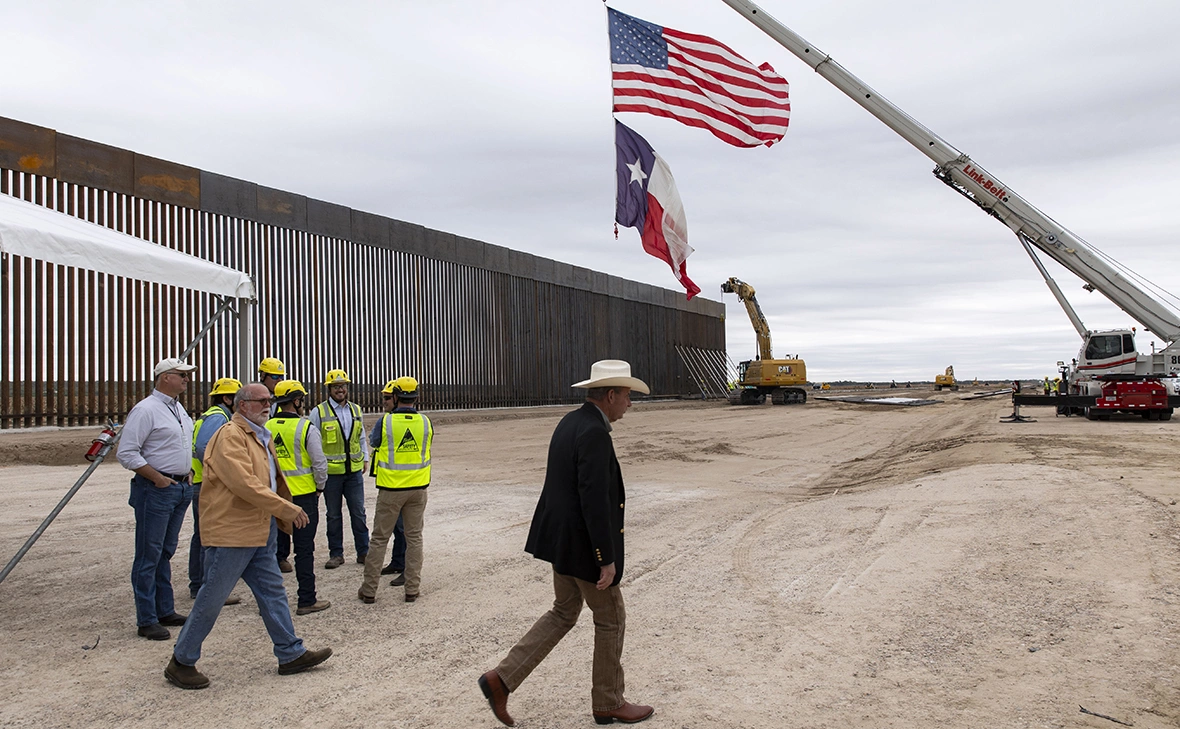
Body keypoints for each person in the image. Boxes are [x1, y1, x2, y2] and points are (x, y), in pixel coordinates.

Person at [478, 360, 655, 727]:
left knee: (563, 612)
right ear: (610, 395)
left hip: (563, 544)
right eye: (626, 396)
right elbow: (593, 500)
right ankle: (608, 702)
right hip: (584, 549)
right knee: (611, 619)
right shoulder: (593, 433)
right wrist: (605, 558)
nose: (630, 404)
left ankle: (501, 679)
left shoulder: (571, 421)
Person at [164, 383, 332, 690]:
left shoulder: (257, 434)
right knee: (212, 597)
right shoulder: (230, 436)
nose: (268, 405)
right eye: (262, 401)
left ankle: (290, 652)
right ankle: (182, 661)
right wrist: (286, 509)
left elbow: (267, 480)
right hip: (233, 534)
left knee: (273, 592)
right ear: (243, 405)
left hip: (257, 530)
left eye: (269, 400)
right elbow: (244, 484)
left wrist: (277, 512)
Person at [116, 357, 197, 641]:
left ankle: (165, 610)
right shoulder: (146, 410)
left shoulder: (178, 409)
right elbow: (127, 453)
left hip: (178, 487)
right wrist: (158, 478)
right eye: (181, 375)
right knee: (149, 554)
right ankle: (147, 618)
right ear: (165, 378)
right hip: (157, 488)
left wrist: (185, 473)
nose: (187, 379)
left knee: (164, 551)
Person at [358, 377, 432, 604]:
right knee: (415, 538)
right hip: (418, 488)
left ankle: (369, 590)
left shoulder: (386, 422)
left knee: (380, 538)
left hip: (391, 488)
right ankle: (412, 589)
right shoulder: (426, 422)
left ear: (397, 397)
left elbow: (374, 442)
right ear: (416, 397)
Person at [266, 380, 331, 615]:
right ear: (296, 401)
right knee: (304, 550)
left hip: (273, 497)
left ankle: (269, 604)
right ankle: (306, 599)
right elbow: (319, 464)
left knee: (269, 551)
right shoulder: (306, 428)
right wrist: (319, 488)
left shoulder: (266, 427)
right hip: (303, 497)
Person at [189, 377, 244, 606]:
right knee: (210, 538)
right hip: (207, 484)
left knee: (202, 536)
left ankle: (199, 585)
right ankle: (207, 588)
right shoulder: (218, 418)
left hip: (201, 482)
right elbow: (204, 448)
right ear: (227, 398)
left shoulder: (210, 415)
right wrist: (223, 469)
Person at [309, 369, 370, 569]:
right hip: (332, 475)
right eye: (336, 387)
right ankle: (336, 554)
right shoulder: (319, 412)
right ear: (329, 389)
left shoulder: (356, 410)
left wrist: (365, 458)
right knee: (333, 515)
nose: (340, 390)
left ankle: (364, 552)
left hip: (353, 472)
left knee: (358, 513)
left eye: (343, 386)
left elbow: (360, 437)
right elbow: (313, 441)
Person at [258, 357, 294, 574]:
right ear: (263, 376)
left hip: (279, 464)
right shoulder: (254, 398)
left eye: (281, 377)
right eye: (275, 377)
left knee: (281, 509)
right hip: (261, 463)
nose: (278, 380)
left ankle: (281, 556)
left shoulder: (281, 401)